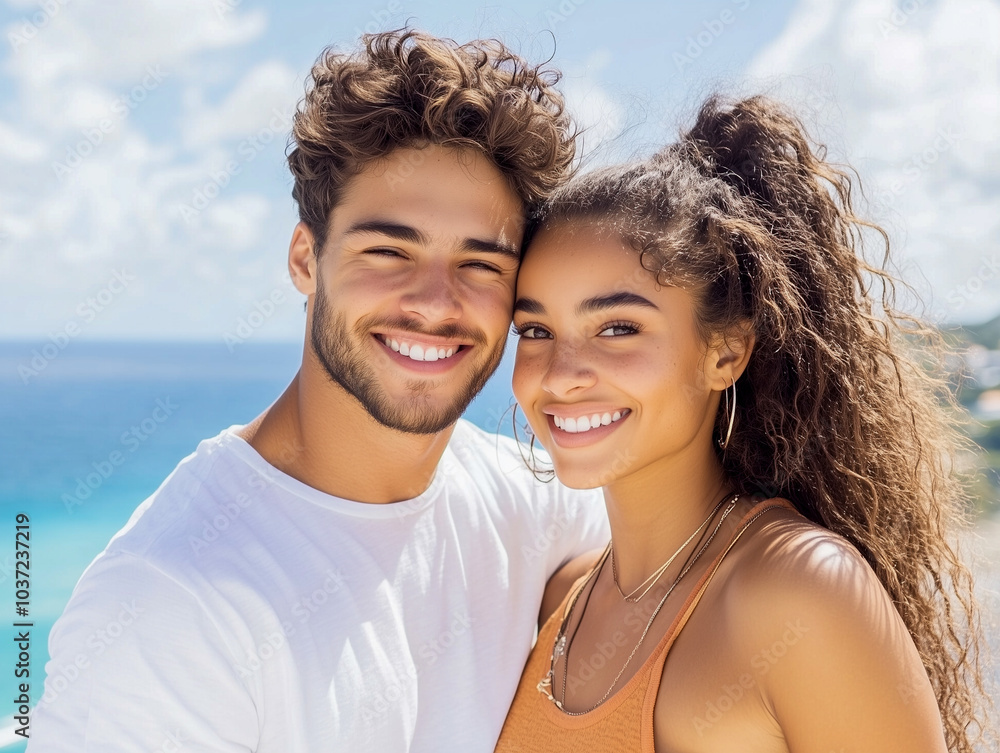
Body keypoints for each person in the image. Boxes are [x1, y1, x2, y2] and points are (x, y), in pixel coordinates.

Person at [29, 31, 609, 752]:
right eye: (389, 251)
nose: (435, 302)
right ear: (306, 259)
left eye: (480, 264)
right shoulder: (167, 603)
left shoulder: (527, 502)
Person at [495, 96, 991, 752]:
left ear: (725, 351)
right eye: (536, 329)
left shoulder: (798, 590)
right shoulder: (559, 600)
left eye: (618, 327)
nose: (560, 374)